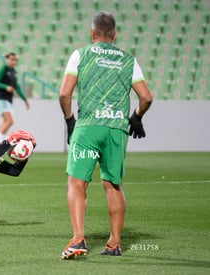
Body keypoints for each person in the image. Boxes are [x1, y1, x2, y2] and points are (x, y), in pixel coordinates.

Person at [58, 11, 153, 259]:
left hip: (89, 128)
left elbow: (64, 94)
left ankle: (78, 239)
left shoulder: (81, 54)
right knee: (113, 185)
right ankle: (114, 244)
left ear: (92, 33)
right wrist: (137, 117)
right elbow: (146, 97)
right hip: (116, 130)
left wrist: (70, 121)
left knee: (77, 183)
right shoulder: (128, 59)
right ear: (115, 34)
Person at [0, 52, 29, 143]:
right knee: (10, 121)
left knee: (5, 121)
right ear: (7, 59)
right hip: (1, 98)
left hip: (8, 100)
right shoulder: (3, 70)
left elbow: (17, 87)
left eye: (15, 60)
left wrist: (24, 99)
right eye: (12, 59)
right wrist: (5, 87)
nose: (14, 62)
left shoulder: (13, 72)